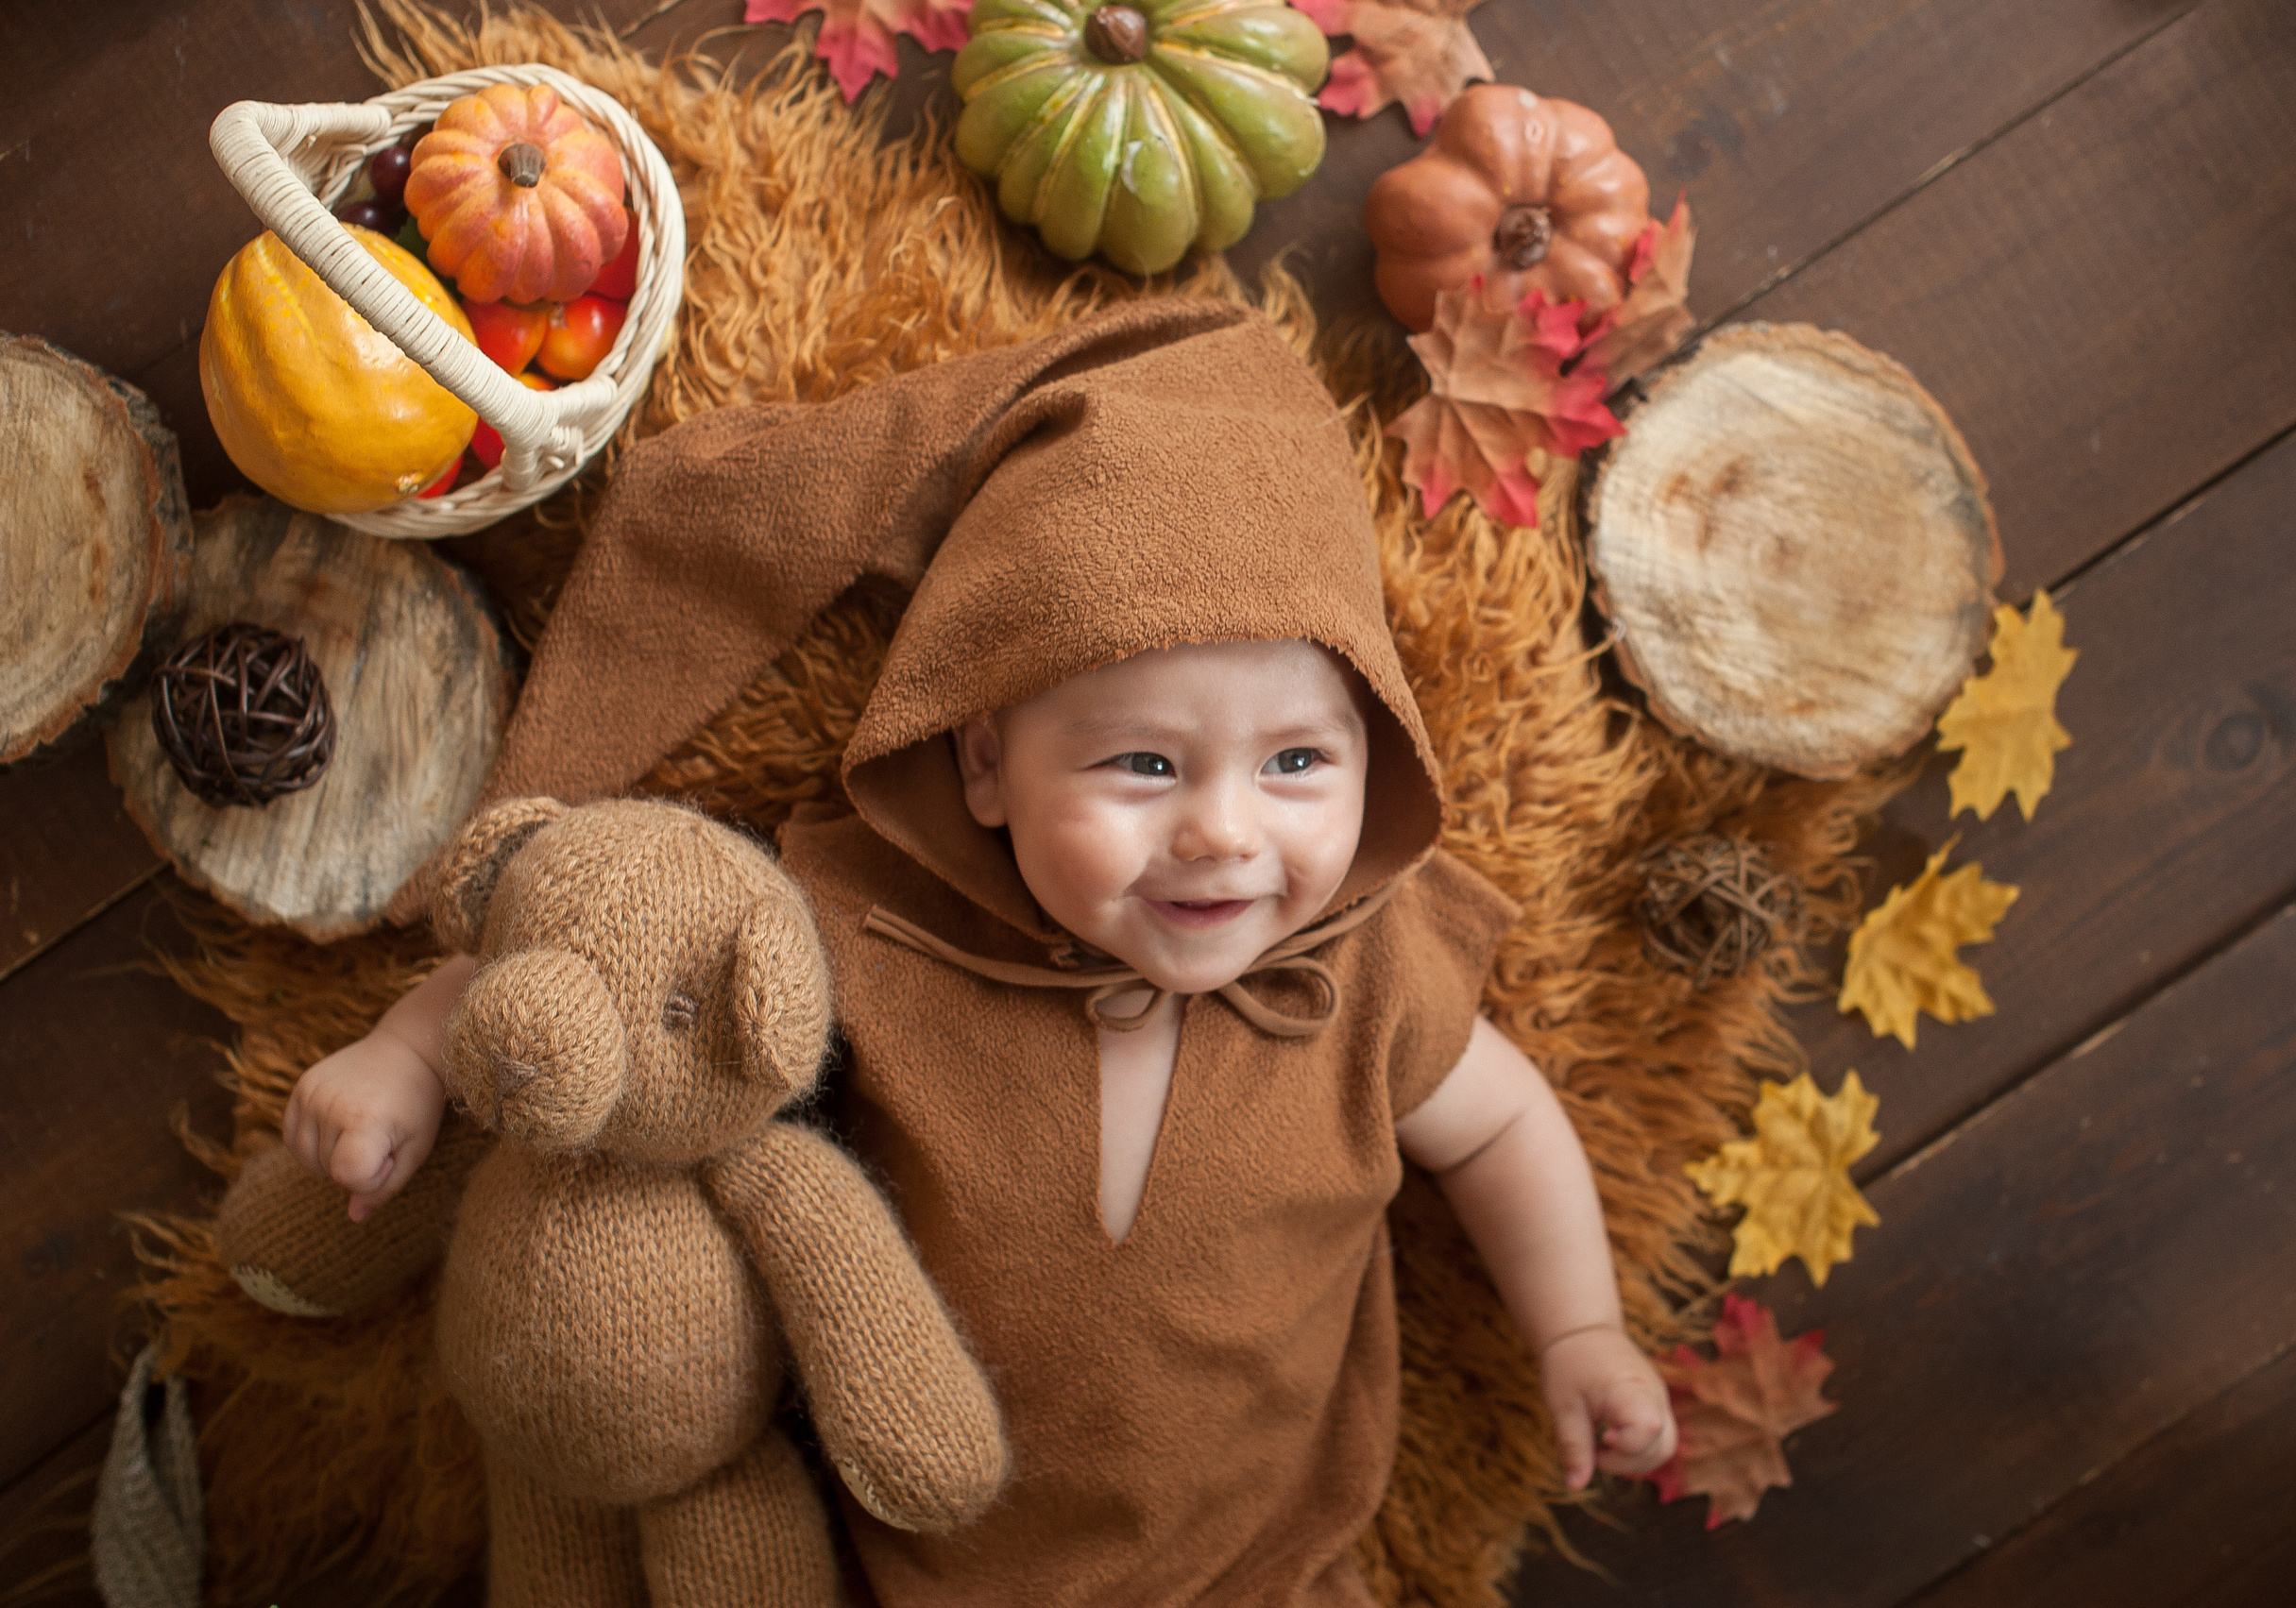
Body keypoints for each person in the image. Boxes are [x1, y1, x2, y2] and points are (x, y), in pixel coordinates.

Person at [280, 298, 1675, 1606]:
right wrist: (406, 1058)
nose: (1225, 835)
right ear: (987, 762)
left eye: (1299, 762)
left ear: (1379, 750)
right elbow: (620, 970)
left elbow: (1497, 1135)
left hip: (1267, 1565)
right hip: (920, 1564)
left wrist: (1577, 1333)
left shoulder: (1370, 975)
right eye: (1144, 765)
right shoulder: (873, 933)